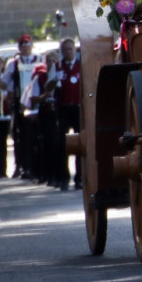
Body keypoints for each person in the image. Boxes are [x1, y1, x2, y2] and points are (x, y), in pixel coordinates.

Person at [4, 34, 44, 179]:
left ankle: (38, 166)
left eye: (27, 44)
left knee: (38, 135)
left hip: (37, 101)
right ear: (19, 47)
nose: (25, 47)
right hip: (20, 103)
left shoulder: (39, 59)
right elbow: (5, 82)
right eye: (22, 45)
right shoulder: (13, 63)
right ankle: (22, 166)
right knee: (22, 136)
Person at [52, 38, 81, 190]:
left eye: (71, 49)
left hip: (77, 108)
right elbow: (49, 86)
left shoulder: (81, 66)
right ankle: (63, 177)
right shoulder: (57, 67)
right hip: (63, 109)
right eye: (66, 49)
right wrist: (54, 80)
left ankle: (79, 178)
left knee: (80, 144)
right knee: (62, 144)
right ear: (62, 51)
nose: (69, 52)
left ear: (74, 50)